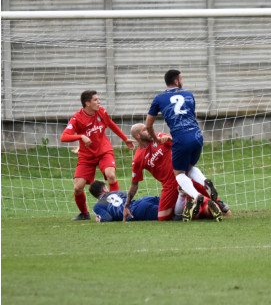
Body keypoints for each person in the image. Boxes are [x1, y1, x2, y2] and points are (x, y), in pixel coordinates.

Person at [145, 70, 223, 222]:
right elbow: (189, 114)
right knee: (189, 168)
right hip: (197, 135)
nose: (182, 81)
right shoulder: (189, 94)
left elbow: (148, 125)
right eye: (181, 78)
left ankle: (197, 195)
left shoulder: (159, 98)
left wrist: (155, 138)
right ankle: (204, 180)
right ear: (176, 81)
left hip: (180, 137)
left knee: (179, 173)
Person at [124, 123, 228, 222]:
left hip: (182, 176)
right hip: (168, 186)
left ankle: (209, 202)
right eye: (145, 130)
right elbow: (134, 183)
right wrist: (126, 206)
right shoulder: (137, 159)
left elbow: (180, 145)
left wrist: (170, 139)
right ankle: (193, 202)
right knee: (163, 217)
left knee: (227, 212)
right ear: (137, 135)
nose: (149, 131)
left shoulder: (159, 137)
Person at [61, 90, 135, 221]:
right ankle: (84, 213)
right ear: (87, 103)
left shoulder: (102, 112)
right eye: (95, 100)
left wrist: (125, 139)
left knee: (111, 175)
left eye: (98, 99)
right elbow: (64, 137)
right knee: (78, 188)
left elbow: (110, 124)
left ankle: (118, 208)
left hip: (104, 151)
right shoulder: (77, 118)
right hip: (86, 156)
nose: (99, 102)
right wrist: (81, 136)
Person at [89, 180, 159, 222]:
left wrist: (99, 219)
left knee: (167, 213)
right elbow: (125, 195)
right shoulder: (116, 192)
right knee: (167, 201)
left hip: (137, 211)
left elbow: (107, 218)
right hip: (143, 200)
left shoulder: (97, 206)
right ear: (104, 189)